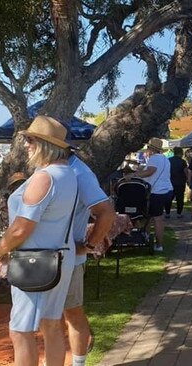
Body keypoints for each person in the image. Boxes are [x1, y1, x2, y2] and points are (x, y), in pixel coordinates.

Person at [0, 115, 78, 366]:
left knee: (20, 330)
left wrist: (0, 251)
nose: (27, 144)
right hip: (58, 257)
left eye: (30, 139)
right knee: (51, 325)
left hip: (34, 263)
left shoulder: (45, 177)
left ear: (45, 144)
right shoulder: (67, 174)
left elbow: (21, 229)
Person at [63, 152, 115, 366]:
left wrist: (89, 246)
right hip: (50, 260)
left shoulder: (79, 173)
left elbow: (106, 213)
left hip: (68, 261)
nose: (28, 146)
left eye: (33, 141)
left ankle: (78, 363)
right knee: (52, 317)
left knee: (72, 314)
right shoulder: (55, 169)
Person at [125, 137, 173, 252]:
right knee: (149, 215)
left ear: (151, 149)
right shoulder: (165, 159)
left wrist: (134, 175)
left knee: (157, 218)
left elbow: (150, 172)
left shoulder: (154, 158)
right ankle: (146, 236)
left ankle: (159, 244)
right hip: (167, 190)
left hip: (157, 191)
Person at [166, 147, 188, 219]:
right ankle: (179, 213)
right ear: (181, 153)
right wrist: (187, 179)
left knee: (169, 198)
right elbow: (185, 171)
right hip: (180, 182)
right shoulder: (183, 161)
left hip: (170, 182)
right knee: (180, 198)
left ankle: (167, 213)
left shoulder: (168, 160)